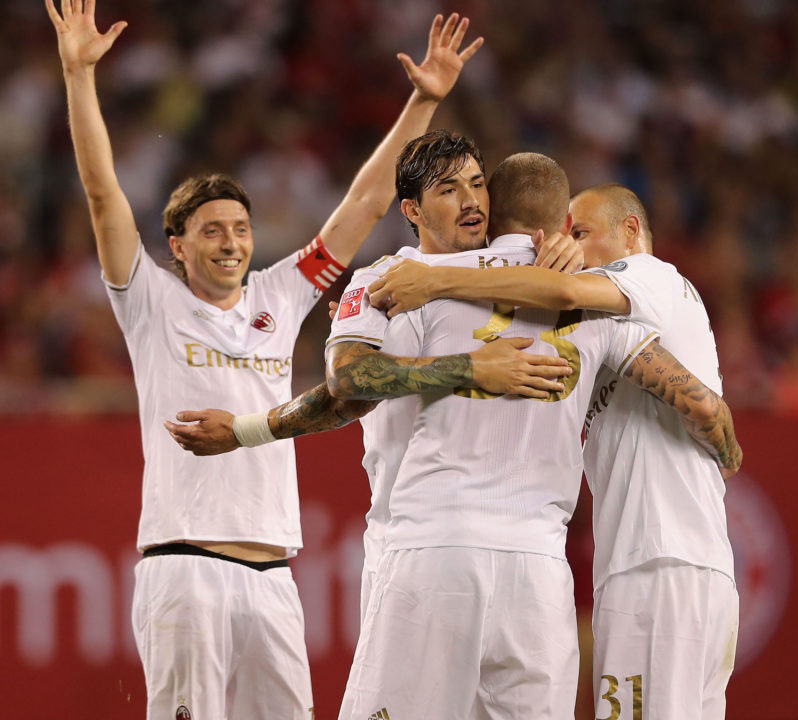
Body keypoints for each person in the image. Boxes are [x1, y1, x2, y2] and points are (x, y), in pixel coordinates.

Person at [45, 1, 487, 717]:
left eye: (241, 228)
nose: (230, 241)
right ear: (177, 247)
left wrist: (422, 102)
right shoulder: (149, 300)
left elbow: (364, 203)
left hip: (274, 575)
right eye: (210, 230)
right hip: (184, 567)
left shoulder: (279, 297)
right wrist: (77, 75)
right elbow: (102, 195)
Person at [324, 153, 739, 719]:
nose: (579, 247)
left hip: (431, 545)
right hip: (542, 572)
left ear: (492, 209)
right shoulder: (599, 311)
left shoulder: (403, 282)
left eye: (476, 185)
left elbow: (344, 386)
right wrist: (724, 443)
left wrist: (252, 431)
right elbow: (699, 401)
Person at [166, 132, 574, 624]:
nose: (470, 201)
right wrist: (473, 365)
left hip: (483, 546)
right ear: (412, 211)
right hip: (461, 548)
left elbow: (347, 387)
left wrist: (570, 252)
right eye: (448, 189)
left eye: (477, 184)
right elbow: (349, 383)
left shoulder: (557, 272)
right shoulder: (386, 282)